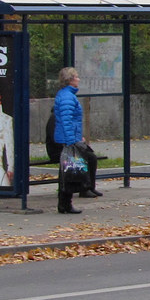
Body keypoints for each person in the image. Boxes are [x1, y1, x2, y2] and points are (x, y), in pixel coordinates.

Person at [53, 66, 100, 214]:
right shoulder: (67, 97)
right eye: (76, 77)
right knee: (70, 171)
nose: (78, 79)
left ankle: (66, 203)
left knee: (69, 170)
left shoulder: (67, 95)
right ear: (70, 79)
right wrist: (71, 141)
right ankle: (66, 202)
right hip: (68, 140)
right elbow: (67, 121)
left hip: (70, 138)